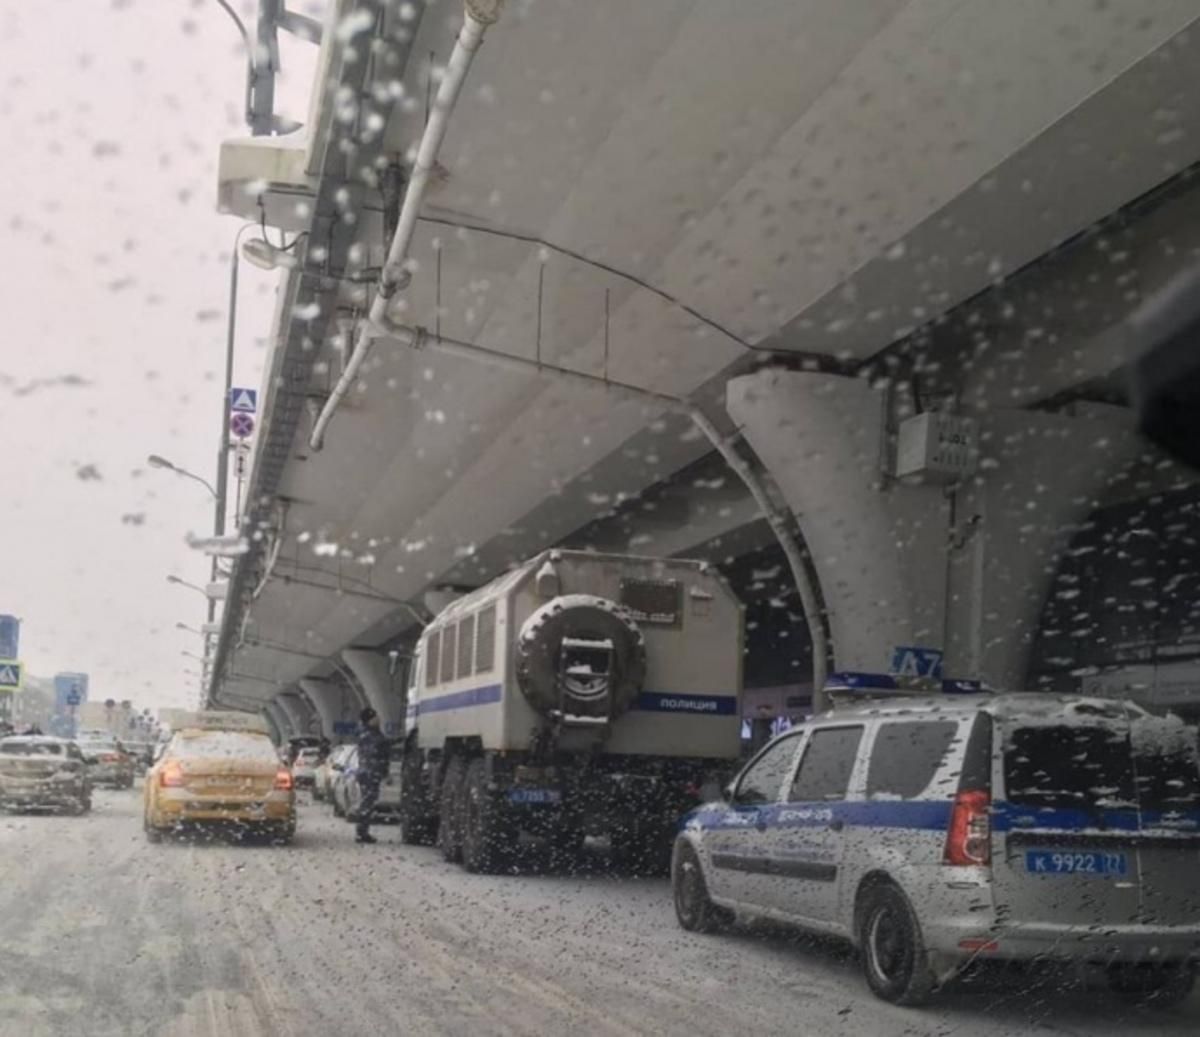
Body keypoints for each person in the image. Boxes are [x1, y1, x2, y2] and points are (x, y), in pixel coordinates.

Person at [354, 707, 390, 844]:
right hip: (369, 774)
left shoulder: (371, 733)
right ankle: (362, 833)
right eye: (375, 717)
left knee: (368, 803)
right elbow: (374, 751)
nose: (378, 719)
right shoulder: (369, 735)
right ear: (370, 719)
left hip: (370, 773)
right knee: (367, 804)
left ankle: (363, 832)